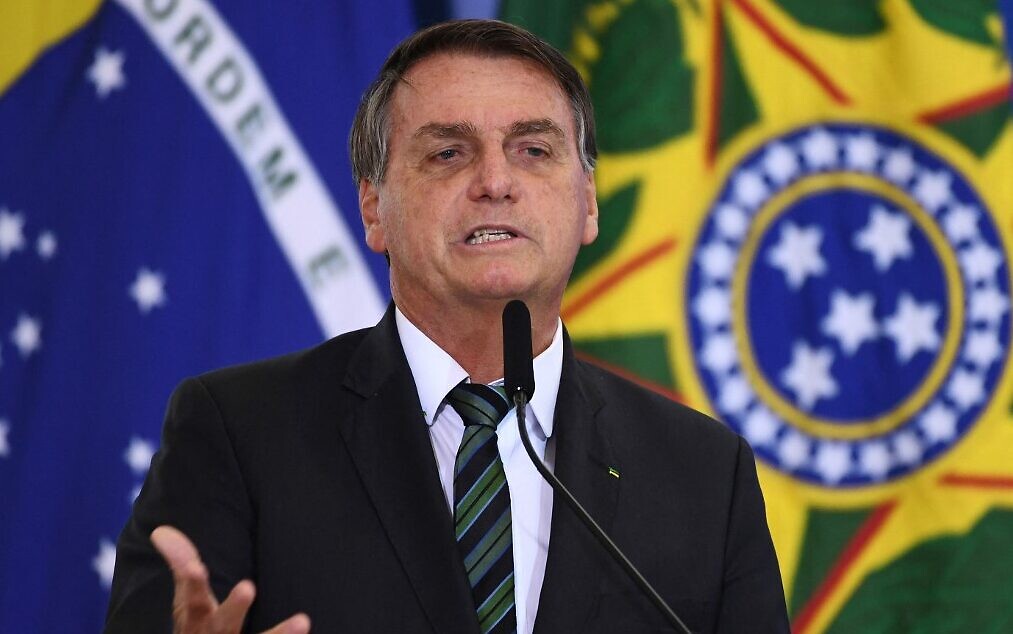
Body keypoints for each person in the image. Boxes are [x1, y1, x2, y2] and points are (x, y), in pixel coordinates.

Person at [105, 19, 789, 634]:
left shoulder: (702, 472)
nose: (495, 181)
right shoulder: (238, 434)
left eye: (533, 150)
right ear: (373, 209)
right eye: (447, 154)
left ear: (587, 204)